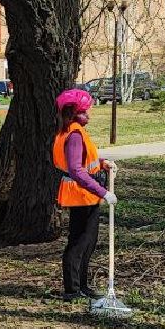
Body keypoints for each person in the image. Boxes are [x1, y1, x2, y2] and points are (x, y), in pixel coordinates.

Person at [52, 88, 116, 300]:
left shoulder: (76, 130)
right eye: (85, 111)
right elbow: (76, 170)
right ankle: (73, 289)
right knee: (79, 241)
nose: (89, 114)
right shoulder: (74, 134)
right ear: (73, 112)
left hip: (87, 194)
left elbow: (84, 163)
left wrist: (101, 163)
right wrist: (104, 192)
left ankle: (83, 286)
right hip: (80, 194)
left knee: (89, 240)